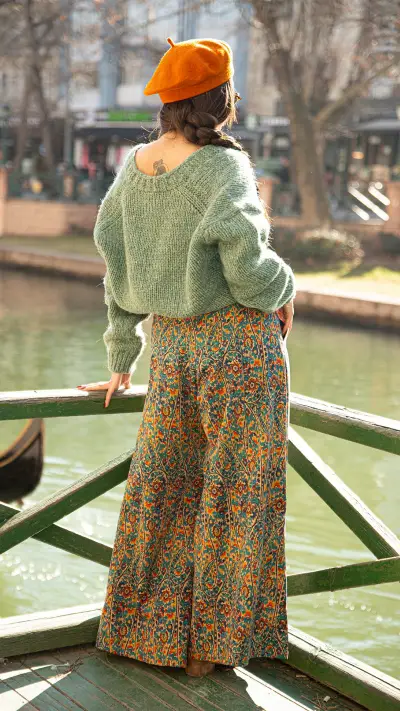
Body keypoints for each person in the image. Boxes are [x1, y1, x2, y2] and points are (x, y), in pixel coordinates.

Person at [78, 37, 295, 678]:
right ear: (222, 99)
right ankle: (211, 650)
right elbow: (250, 274)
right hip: (238, 351)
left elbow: (113, 257)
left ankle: (143, 635)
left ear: (168, 102)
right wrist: (289, 287)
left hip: (172, 353)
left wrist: (122, 354)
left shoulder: (134, 165)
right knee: (237, 494)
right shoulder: (225, 167)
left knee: (162, 491)